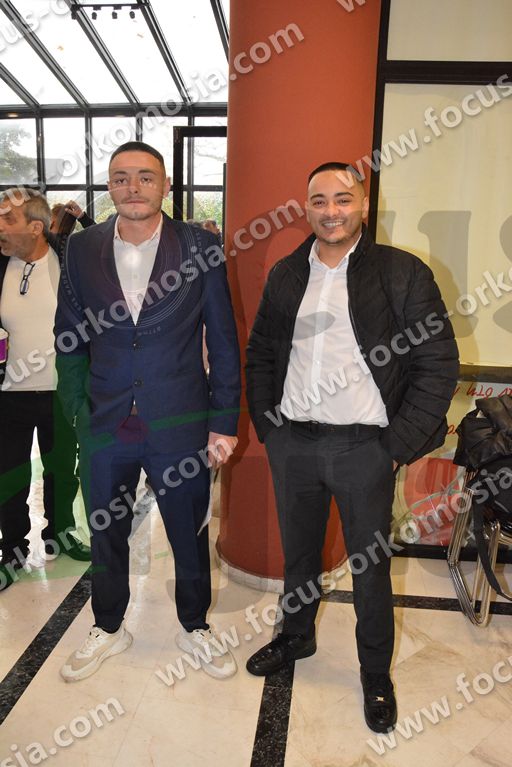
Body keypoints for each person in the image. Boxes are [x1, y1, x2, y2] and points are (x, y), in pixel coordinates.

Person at [244, 162, 459, 733]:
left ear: (364, 205)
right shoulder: (288, 273)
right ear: (306, 208)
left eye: (343, 199)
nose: (331, 211)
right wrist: (270, 426)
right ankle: (295, 637)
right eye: (319, 200)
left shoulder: (402, 272)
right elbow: (261, 351)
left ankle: (374, 673)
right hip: (294, 442)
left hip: (365, 447)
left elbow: (438, 365)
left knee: (370, 569)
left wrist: (395, 446)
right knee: (299, 557)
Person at [54, 141, 241, 682]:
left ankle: (195, 626)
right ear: (108, 186)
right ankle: (109, 626)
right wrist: (76, 408)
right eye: (120, 178)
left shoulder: (199, 246)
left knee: (188, 529)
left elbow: (223, 339)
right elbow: (69, 335)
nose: (132, 187)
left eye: (145, 177)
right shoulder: (82, 247)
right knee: (105, 529)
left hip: (180, 420)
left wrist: (223, 422)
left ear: (165, 185)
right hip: (106, 421)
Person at [0, 188, 90, 593]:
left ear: (36, 227)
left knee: (62, 469)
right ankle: (12, 549)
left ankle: (61, 533)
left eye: (8, 220)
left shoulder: (68, 261)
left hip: (61, 390)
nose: (0, 227)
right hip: (9, 393)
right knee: (9, 474)